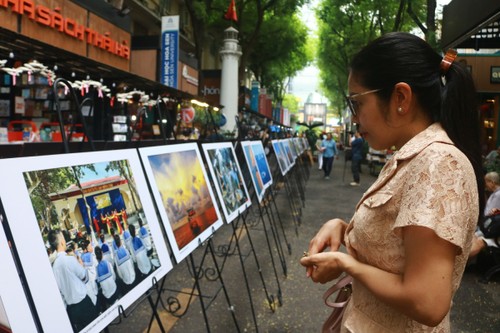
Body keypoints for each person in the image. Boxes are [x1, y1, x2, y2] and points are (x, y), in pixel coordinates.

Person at [300, 32, 484, 332]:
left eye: (356, 103)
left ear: (400, 98)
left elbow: (427, 301)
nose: (355, 117)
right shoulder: (413, 156)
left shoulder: (438, 164)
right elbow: (396, 242)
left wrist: (347, 264)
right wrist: (343, 228)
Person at [48, 229, 98, 331]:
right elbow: (85, 277)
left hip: (72, 310)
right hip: (84, 304)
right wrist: (81, 265)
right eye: (63, 237)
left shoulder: (54, 267)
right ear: (62, 242)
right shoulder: (69, 259)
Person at [469, 171, 500, 259]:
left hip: (493, 229)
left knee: (476, 238)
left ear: (492, 182)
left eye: (486, 182)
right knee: (473, 236)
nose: (485, 184)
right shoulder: (494, 194)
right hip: (490, 225)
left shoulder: (498, 195)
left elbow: (490, 213)